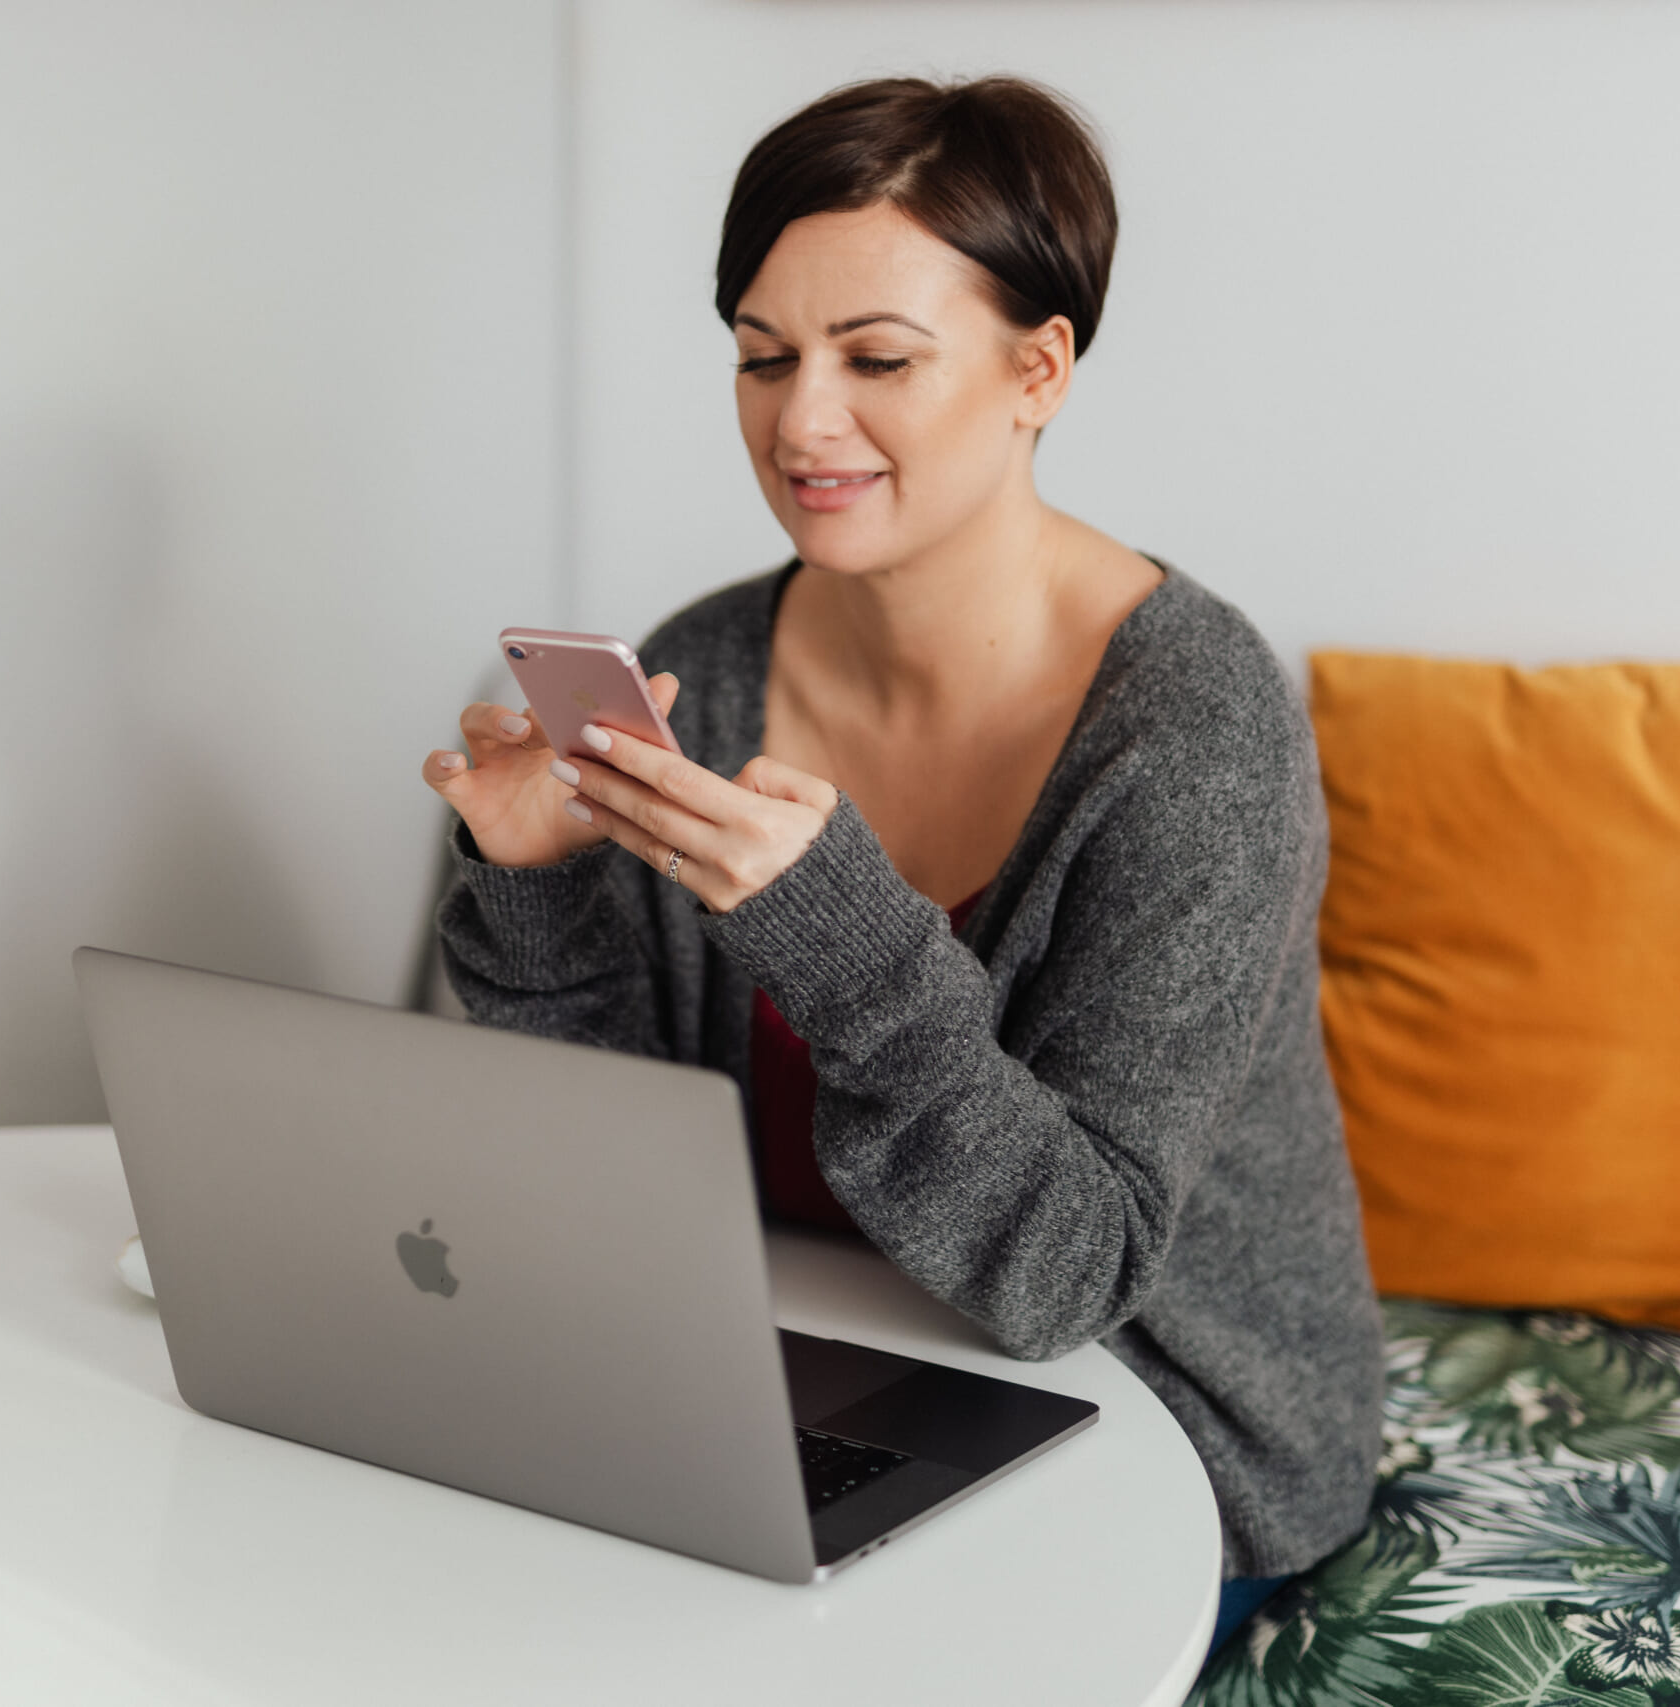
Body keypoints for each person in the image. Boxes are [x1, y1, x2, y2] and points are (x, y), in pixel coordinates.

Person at [420, 75, 1380, 1648]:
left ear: (1038, 370)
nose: (802, 421)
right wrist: (541, 887)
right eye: (761, 355)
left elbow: (1071, 1274)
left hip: (1150, 1424)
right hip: (795, 1364)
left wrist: (837, 936)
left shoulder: (1194, 733)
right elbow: (612, 1179)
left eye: (877, 359)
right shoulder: (702, 672)